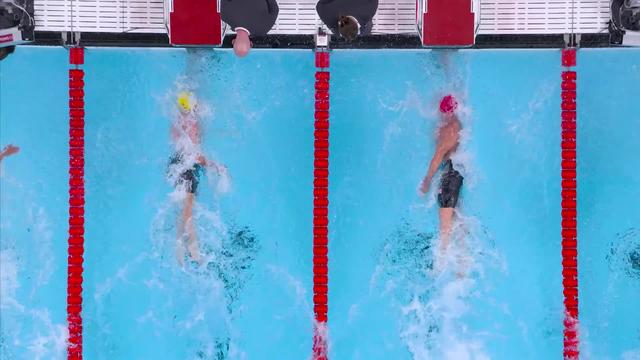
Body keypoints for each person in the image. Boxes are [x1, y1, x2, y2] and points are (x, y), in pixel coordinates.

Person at [168, 92, 225, 266]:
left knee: (187, 210)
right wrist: (216, 166)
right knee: (187, 211)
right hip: (186, 167)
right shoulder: (192, 125)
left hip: (176, 165)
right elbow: (196, 155)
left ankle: (190, 252)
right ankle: (185, 251)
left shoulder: (177, 123)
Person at [419, 95, 464, 273]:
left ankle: (439, 268)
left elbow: (438, 156)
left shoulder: (447, 130)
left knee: (444, 230)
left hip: (450, 178)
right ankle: (461, 268)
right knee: (456, 221)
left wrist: (427, 180)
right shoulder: (458, 125)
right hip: (458, 173)